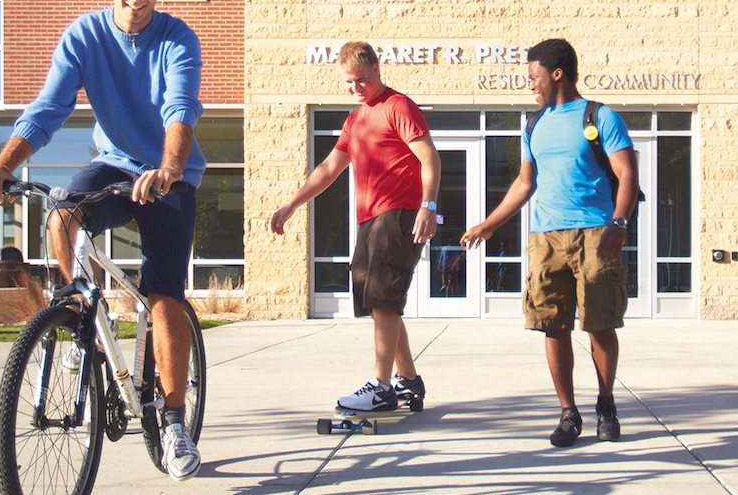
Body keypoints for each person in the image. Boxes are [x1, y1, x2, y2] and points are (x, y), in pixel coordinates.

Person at [0, 0, 205, 481]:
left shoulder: (178, 39)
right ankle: (83, 308)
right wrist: (3, 164)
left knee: (165, 292)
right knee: (62, 214)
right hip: (115, 164)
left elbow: (180, 108)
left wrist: (170, 167)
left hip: (169, 176)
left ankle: (172, 423)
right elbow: (49, 108)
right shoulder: (84, 35)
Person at [461, 38, 638, 447]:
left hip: (596, 231)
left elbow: (628, 175)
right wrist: (488, 224)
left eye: (533, 77)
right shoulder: (534, 124)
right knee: (551, 326)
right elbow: (525, 183)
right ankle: (568, 413)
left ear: (556, 74)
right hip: (546, 237)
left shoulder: (601, 116)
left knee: (600, 324)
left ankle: (606, 403)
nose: (530, 85)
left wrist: (619, 223)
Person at [271, 41, 441, 414]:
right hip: (369, 219)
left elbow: (429, 157)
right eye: (348, 82)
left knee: (384, 299)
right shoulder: (355, 119)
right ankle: (408, 381)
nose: (355, 88)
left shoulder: (398, 106)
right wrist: (291, 204)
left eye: (361, 80)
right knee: (380, 304)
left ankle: (381, 387)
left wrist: (428, 206)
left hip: (398, 214)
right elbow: (329, 169)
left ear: (377, 70)